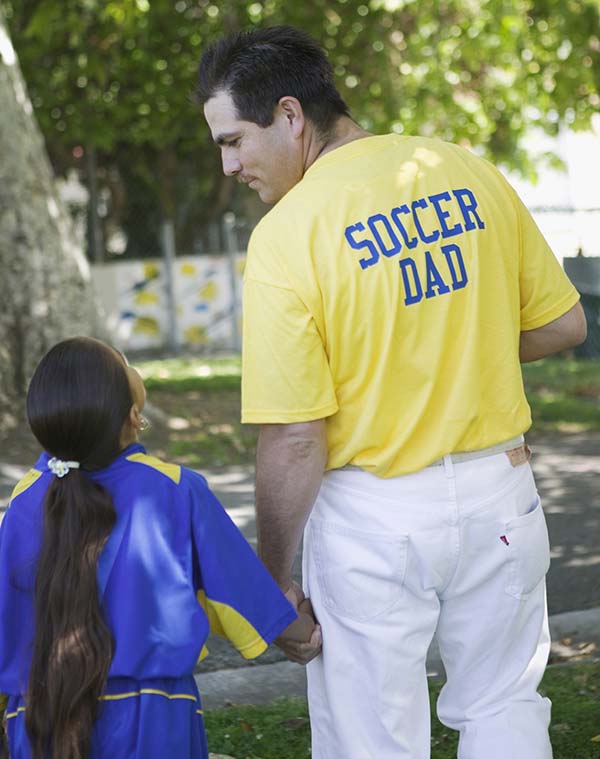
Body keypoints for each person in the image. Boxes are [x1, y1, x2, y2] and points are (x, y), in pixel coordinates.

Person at [197, 25, 588, 759]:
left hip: (374, 518)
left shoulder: (289, 235)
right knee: (505, 706)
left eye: (233, 140)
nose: (229, 164)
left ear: (289, 116)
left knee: (370, 736)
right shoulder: (465, 168)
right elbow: (564, 323)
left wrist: (274, 580)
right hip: (502, 491)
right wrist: (457, 347)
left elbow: (295, 435)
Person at [0, 336, 317, 759]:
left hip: (37, 721)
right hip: (151, 719)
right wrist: (304, 633)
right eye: (126, 363)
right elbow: (241, 595)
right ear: (133, 415)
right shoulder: (175, 489)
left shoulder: (23, 499)